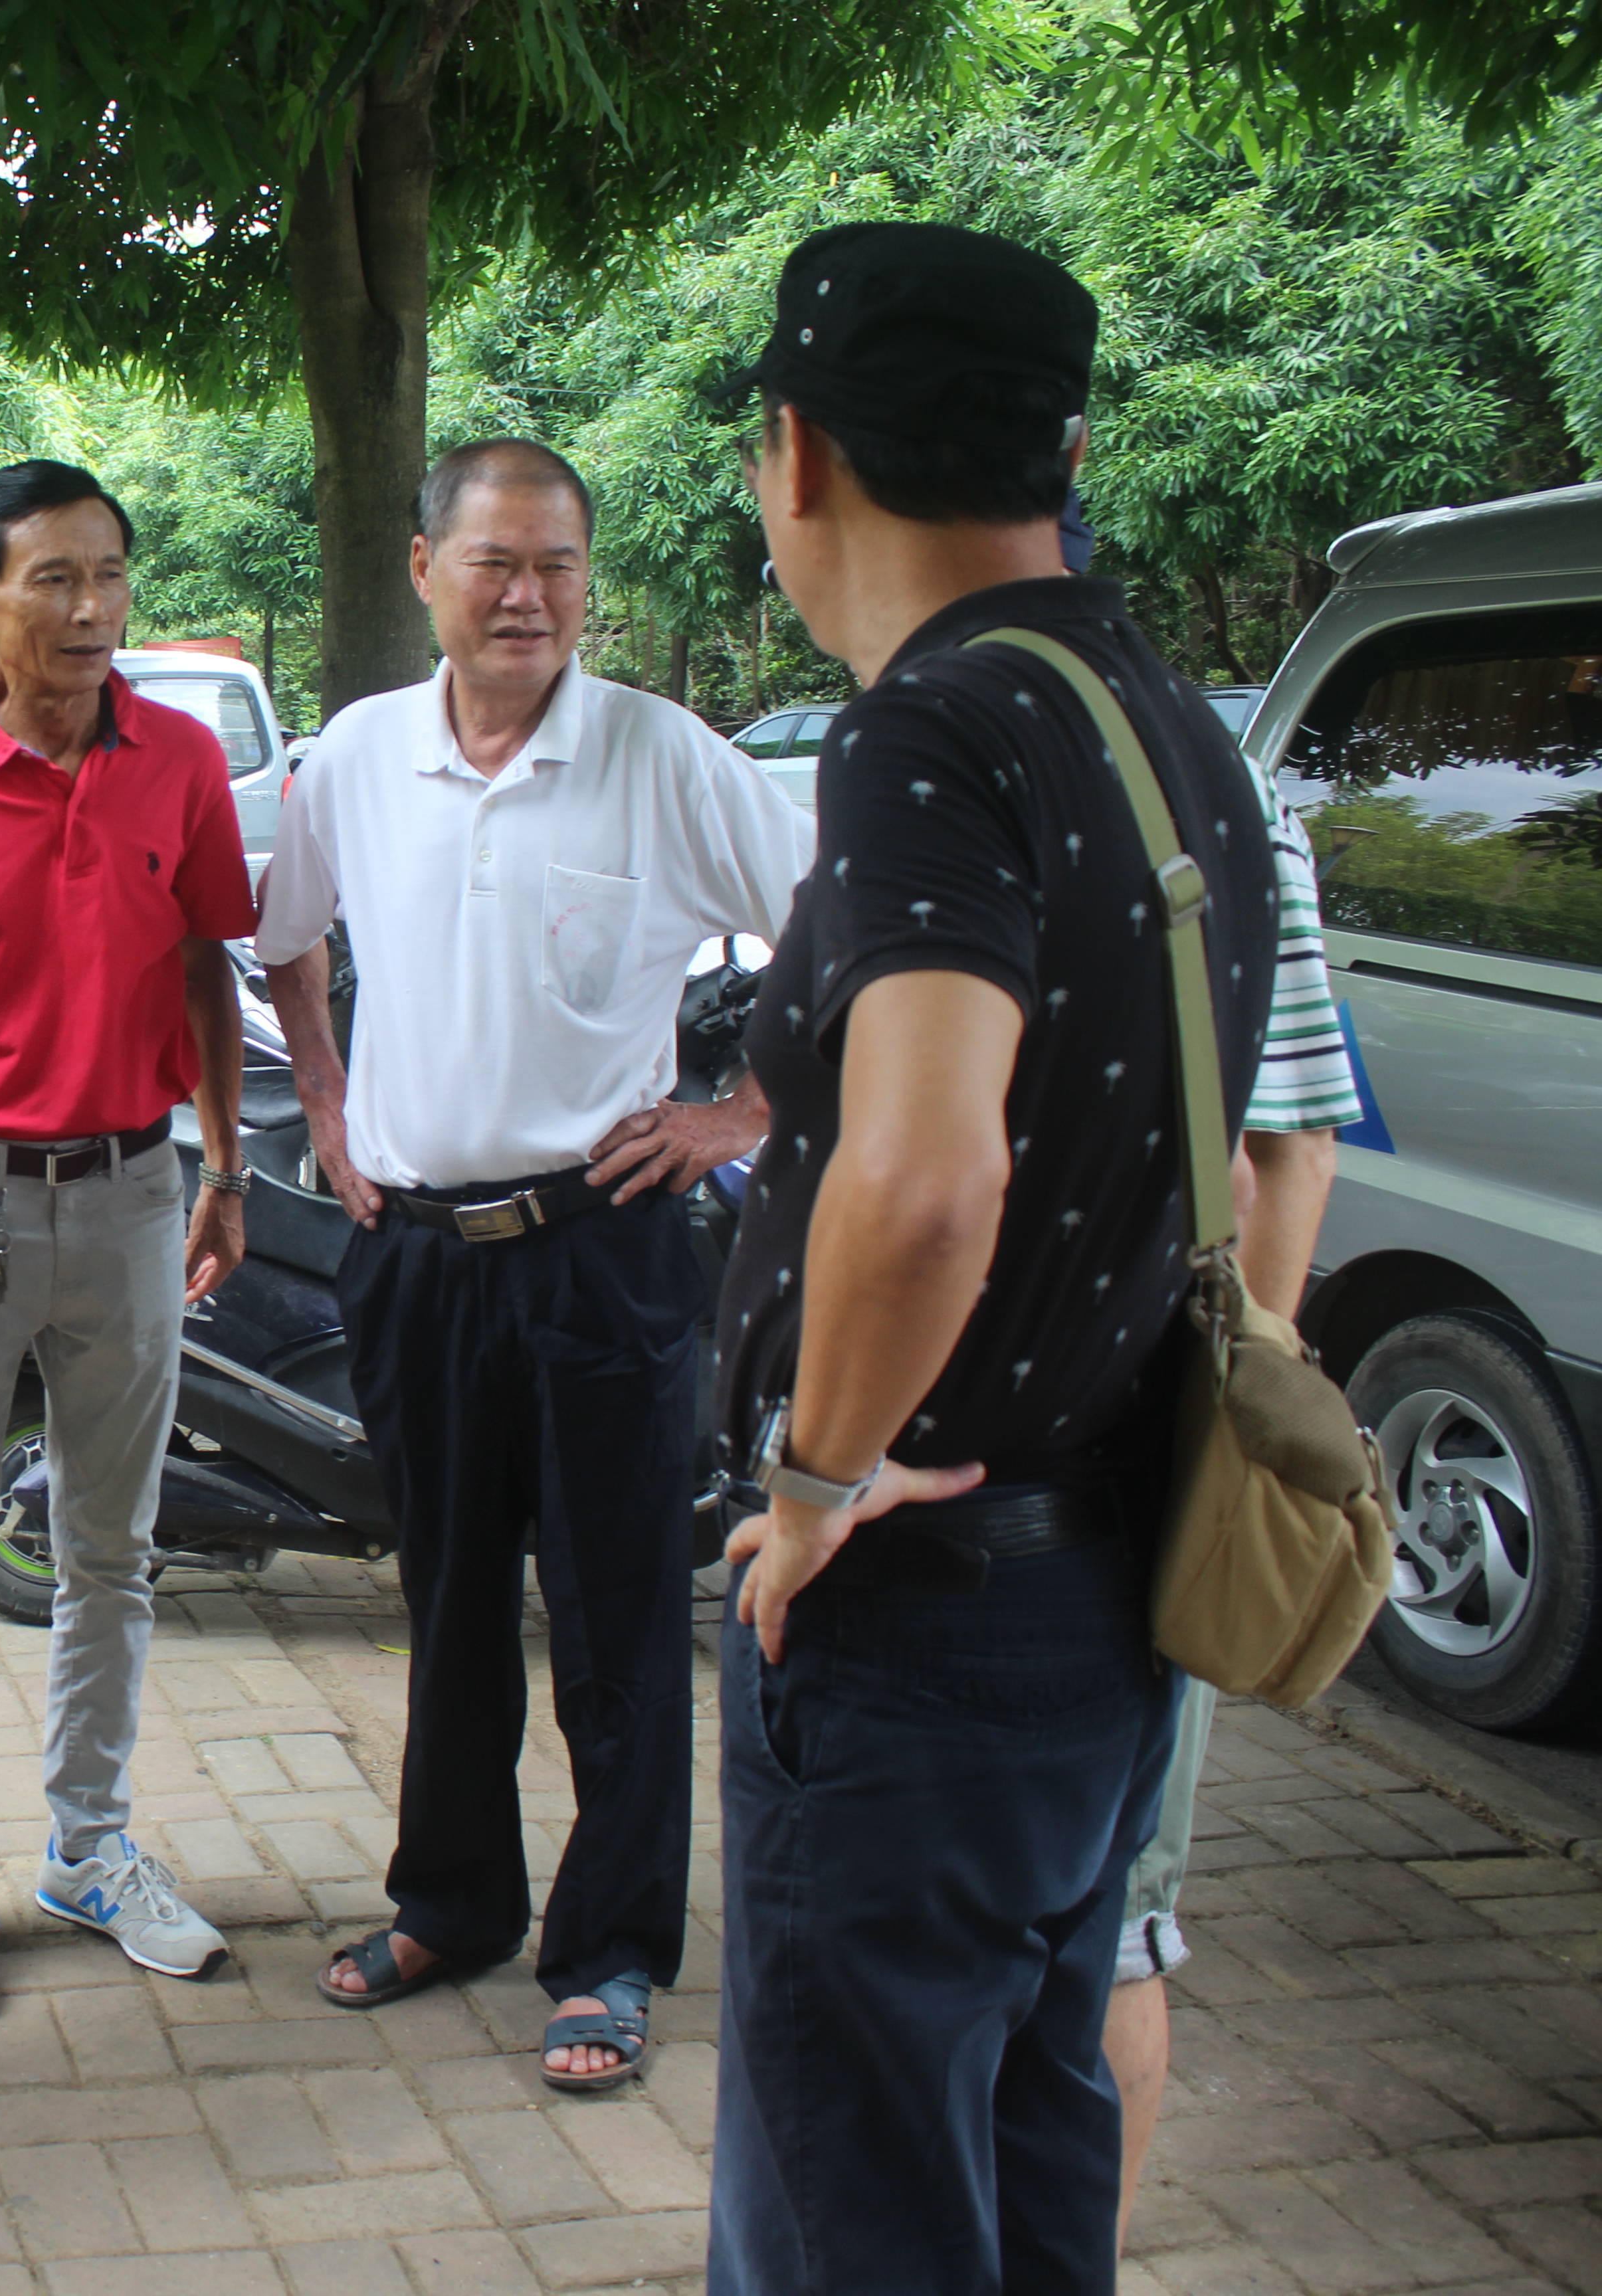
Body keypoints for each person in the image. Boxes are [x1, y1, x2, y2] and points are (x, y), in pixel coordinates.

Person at [704, 221, 1278, 2291]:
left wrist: (811, 1475)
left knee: (850, 2205)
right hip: (1106, 1590)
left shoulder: (927, 732)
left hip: (921, 1611)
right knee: (1037, 2158)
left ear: (798, 456)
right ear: (1071, 444)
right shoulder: (1169, 722)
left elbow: (928, 1178)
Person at [260, 439, 811, 2089]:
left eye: (559, 564)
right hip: (414, 1253)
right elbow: (284, 925)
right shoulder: (356, 753)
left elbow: (841, 929)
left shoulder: (657, 754)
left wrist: (740, 1112)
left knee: (621, 1606)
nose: (527, 594)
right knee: (442, 1598)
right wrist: (336, 1099)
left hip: (603, 1251)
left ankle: (614, 1947)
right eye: (494, 560)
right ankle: (451, 1901)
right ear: (422, 566)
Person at [0, 458, 257, 2011]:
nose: (92, 607)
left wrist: (224, 1163)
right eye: (56, 577)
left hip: (130, 1193)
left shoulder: (175, 762)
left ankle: (88, 1841)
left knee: (114, 1543)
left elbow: (202, 970)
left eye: (109, 573)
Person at [1109, 769, 1359, 2249]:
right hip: (1169, 1429)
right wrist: (1235, 1426)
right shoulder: (1231, 781)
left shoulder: (939, 737)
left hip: (1000, 1455)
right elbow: (1298, 1146)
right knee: (1121, 1917)